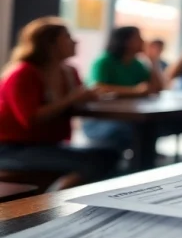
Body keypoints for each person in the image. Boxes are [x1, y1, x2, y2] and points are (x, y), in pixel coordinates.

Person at [0, 18, 118, 188]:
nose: (75, 41)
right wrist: (72, 98)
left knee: (109, 154)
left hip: (49, 146)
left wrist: (89, 97)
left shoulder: (69, 72)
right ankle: (54, 204)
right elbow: (30, 119)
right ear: (50, 44)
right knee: (97, 160)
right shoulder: (22, 73)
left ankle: (55, 199)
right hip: (11, 149)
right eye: (67, 37)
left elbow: (75, 103)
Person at [83, 26, 164, 150]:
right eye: (138, 38)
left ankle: (141, 165)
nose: (143, 41)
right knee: (138, 131)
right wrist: (135, 91)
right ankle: (134, 166)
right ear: (125, 41)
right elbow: (98, 88)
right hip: (101, 121)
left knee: (150, 128)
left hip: (127, 119)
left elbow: (157, 87)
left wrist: (153, 60)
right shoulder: (104, 61)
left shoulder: (136, 64)